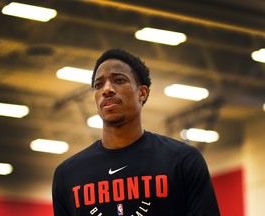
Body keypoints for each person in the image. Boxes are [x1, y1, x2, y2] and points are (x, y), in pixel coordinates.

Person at [52, 48, 220, 216]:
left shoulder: (182, 160)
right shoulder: (67, 174)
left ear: (142, 93)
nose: (107, 89)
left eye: (118, 80)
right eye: (98, 85)